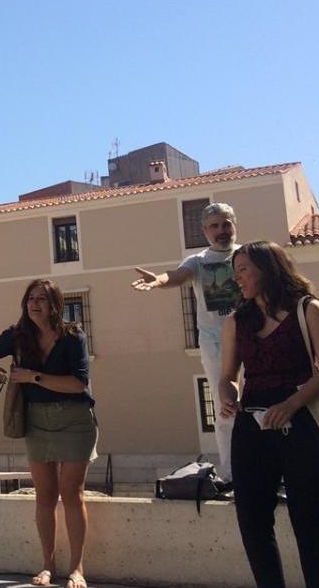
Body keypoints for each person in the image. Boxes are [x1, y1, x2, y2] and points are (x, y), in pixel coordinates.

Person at [219, 241, 319, 588]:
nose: (237, 278)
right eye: (235, 271)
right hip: (252, 426)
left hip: (300, 422)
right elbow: (227, 375)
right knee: (253, 524)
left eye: (243, 269)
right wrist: (227, 397)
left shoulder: (307, 309)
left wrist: (291, 405)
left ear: (268, 269)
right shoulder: (236, 321)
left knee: (311, 526)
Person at [0, 279, 97, 588]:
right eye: (30, 299)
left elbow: (78, 383)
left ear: (55, 304)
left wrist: (33, 377)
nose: (34, 304)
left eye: (41, 298)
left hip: (75, 420)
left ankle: (77, 569)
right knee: (44, 495)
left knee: (71, 493)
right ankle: (47, 566)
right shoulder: (18, 336)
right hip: (37, 421)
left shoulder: (73, 336)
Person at [130, 201, 241, 481]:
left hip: (253, 341)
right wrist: (158, 280)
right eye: (214, 226)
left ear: (234, 225)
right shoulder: (198, 261)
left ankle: (268, 471)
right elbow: (176, 276)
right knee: (225, 405)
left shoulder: (248, 255)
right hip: (216, 344)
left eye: (225, 224)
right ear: (205, 232)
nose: (221, 230)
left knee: (258, 404)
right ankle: (232, 474)